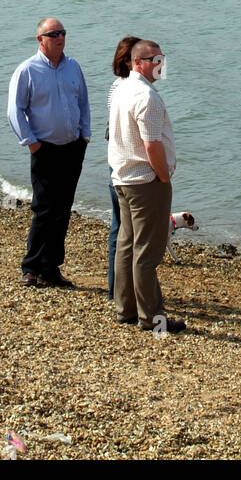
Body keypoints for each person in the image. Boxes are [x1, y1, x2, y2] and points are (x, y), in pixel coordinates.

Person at [108, 39, 186, 334]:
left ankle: (125, 308)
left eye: (162, 59)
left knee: (127, 245)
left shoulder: (122, 88)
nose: (161, 65)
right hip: (145, 181)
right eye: (155, 60)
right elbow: (151, 144)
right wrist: (163, 176)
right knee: (147, 252)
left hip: (123, 177)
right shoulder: (146, 97)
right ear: (138, 62)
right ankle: (152, 318)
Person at [6, 17, 90, 289]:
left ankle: (51, 268)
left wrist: (85, 135)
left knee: (63, 210)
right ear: (40, 39)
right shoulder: (27, 70)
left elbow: (83, 102)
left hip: (73, 148)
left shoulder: (73, 67)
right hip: (45, 149)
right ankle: (31, 268)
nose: (59, 37)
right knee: (44, 209)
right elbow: (15, 110)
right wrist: (30, 142)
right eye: (53, 34)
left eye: (62, 33)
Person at [106, 35, 140, 301]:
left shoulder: (118, 87)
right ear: (129, 61)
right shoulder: (129, 89)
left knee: (120, 229)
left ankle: (117, 290)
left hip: (116, 165)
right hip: (127, 170)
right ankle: (122, 291)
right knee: (125, 231)